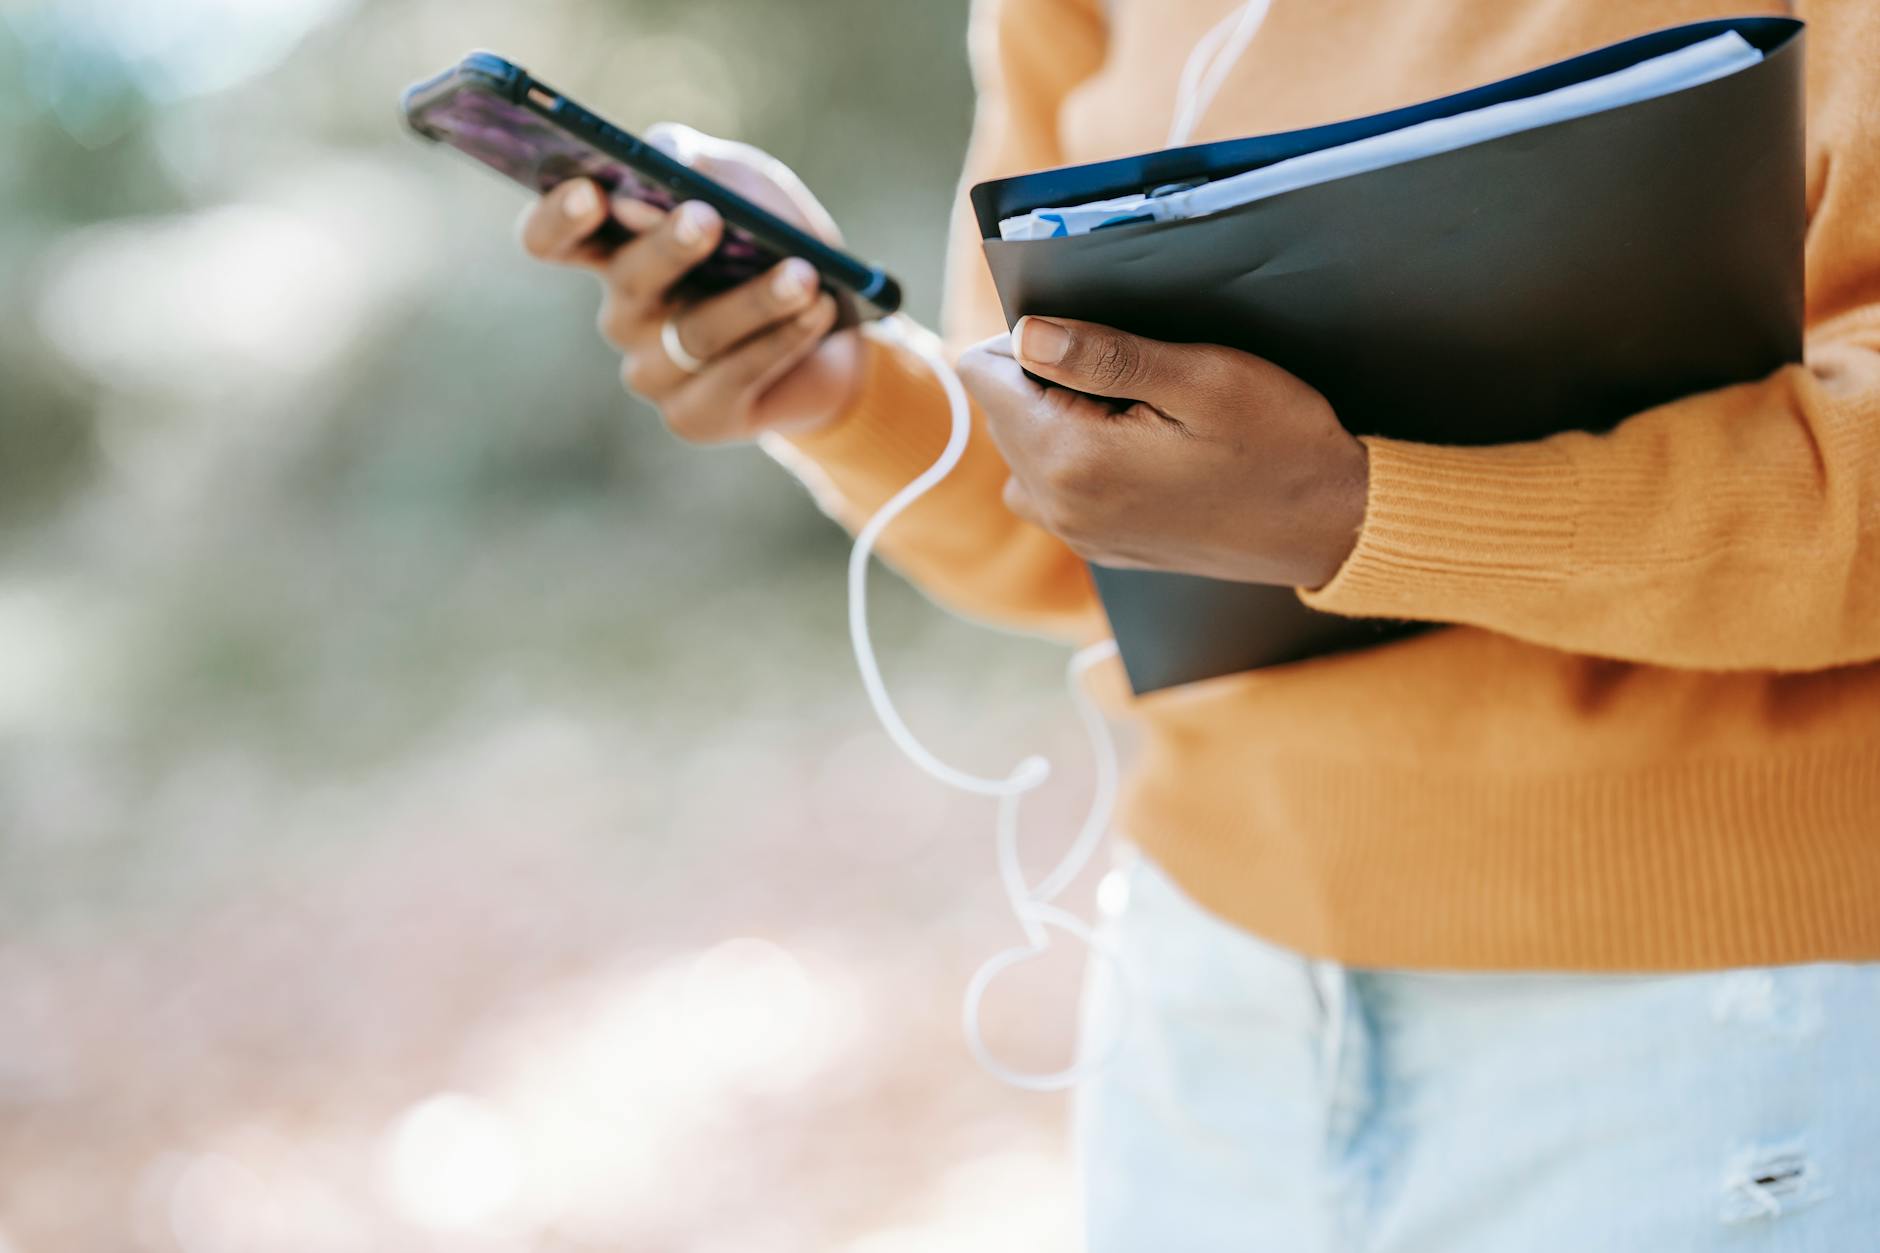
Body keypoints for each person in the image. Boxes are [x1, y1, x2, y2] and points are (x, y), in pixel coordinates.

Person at [516, 0, 1880, 1247]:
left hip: (1721, 1022)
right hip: (1209, 1002)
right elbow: (1085, 513)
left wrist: (1362, 508)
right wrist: (836, 382)